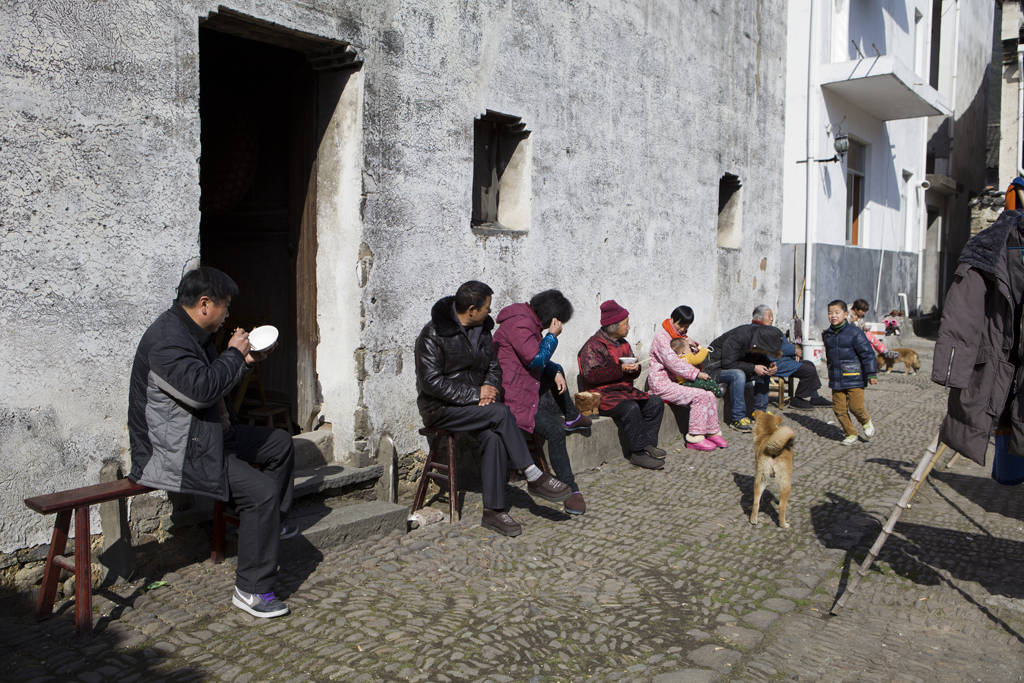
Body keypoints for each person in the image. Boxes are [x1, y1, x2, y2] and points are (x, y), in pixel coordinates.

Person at [128, 267, 296, 618]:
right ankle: (251, 590)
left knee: (280, 442)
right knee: (261, 491)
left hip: (208, 433)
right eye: (226, 307)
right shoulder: (167, 340)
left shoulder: (192, 333)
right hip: (176, 450)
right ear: (205, 304)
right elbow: (202, 391)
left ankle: (269, 526)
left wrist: (247, 360)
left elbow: (214, 386)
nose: (228, 316)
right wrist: (234, 354)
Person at [414, 280, 571, 537]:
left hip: (478, 408)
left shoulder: (482, 331)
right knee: (500, 413)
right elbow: (431, 383)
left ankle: (493, 511)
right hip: (442, 409)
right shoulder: (432, 335)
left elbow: (494, 368)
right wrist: (475, 394)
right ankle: (533, 474)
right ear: (472, 309)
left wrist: (488, 389)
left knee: (494, 434)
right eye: (487, 307)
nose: (491, 312)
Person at [493, 289, 592, 515]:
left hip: (527, 392)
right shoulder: (520, 324)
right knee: (555, 431)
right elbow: (536, 358)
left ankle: (572, 416)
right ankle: (571, 490)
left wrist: (554, 369)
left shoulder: (527, 322)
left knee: (556, 371)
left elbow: (533, 358)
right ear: (552, 318)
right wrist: (552, 335)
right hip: (513, 401)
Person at [577, 300, 666, 469]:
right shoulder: (593, 346)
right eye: (626, 324)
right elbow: (591, 376)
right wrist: (621, 369)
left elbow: (631, 370)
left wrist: (634, 369)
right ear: (613, 325)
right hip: (594, 397)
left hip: (621, 391)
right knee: (630, 408)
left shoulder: (623, 344)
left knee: (655, 403)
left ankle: (648, 444)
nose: (629, 327)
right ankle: (637, 453)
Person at [647, 305, 728, 451]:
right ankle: (695, 437)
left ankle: (712, 431)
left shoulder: (679, 336)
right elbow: (674, 363)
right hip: (662, 383)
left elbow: (689, 355)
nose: (683, 329)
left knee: (709, 395)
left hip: (678, 381)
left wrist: (694, 346)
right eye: (681, 325)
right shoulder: (661, 338)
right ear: (672, 320)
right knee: (700, 396)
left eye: (686, 326)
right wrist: (697, 374)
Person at [702, 320, 784, 432]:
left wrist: (768, 365)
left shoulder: (757, 339)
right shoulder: (739, 337)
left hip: (732, 366)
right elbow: (728, 363)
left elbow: (756, 358)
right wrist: (754, 368)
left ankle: (759, 413)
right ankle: (737, 418)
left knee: (764, 372)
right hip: (714, 369)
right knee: (738, 375)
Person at [751, 305, 831, 410]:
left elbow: (785, 345)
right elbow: (772, 349)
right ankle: (797, 398)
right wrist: (794, 351)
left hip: (784, 359)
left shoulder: (772, 329)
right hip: (774, 363)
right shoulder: (758, 331)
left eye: (772, 315)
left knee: (809, 364)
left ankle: (814, 397)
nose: (772, 318)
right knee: (808, 370)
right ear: (759, 318)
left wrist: (794, 352)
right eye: (769, 315)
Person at [822, 299, 878, 445]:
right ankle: (850, 433)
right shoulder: (827, 334)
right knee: (838, 409)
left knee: (856, 406)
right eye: (830, 313)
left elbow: (867, 354)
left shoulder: (855, 333)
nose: (833, 316)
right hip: (836, 378)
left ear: (846, 314)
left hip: (854, 377)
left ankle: (865, 421)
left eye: (837, 312)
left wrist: (871, 373)